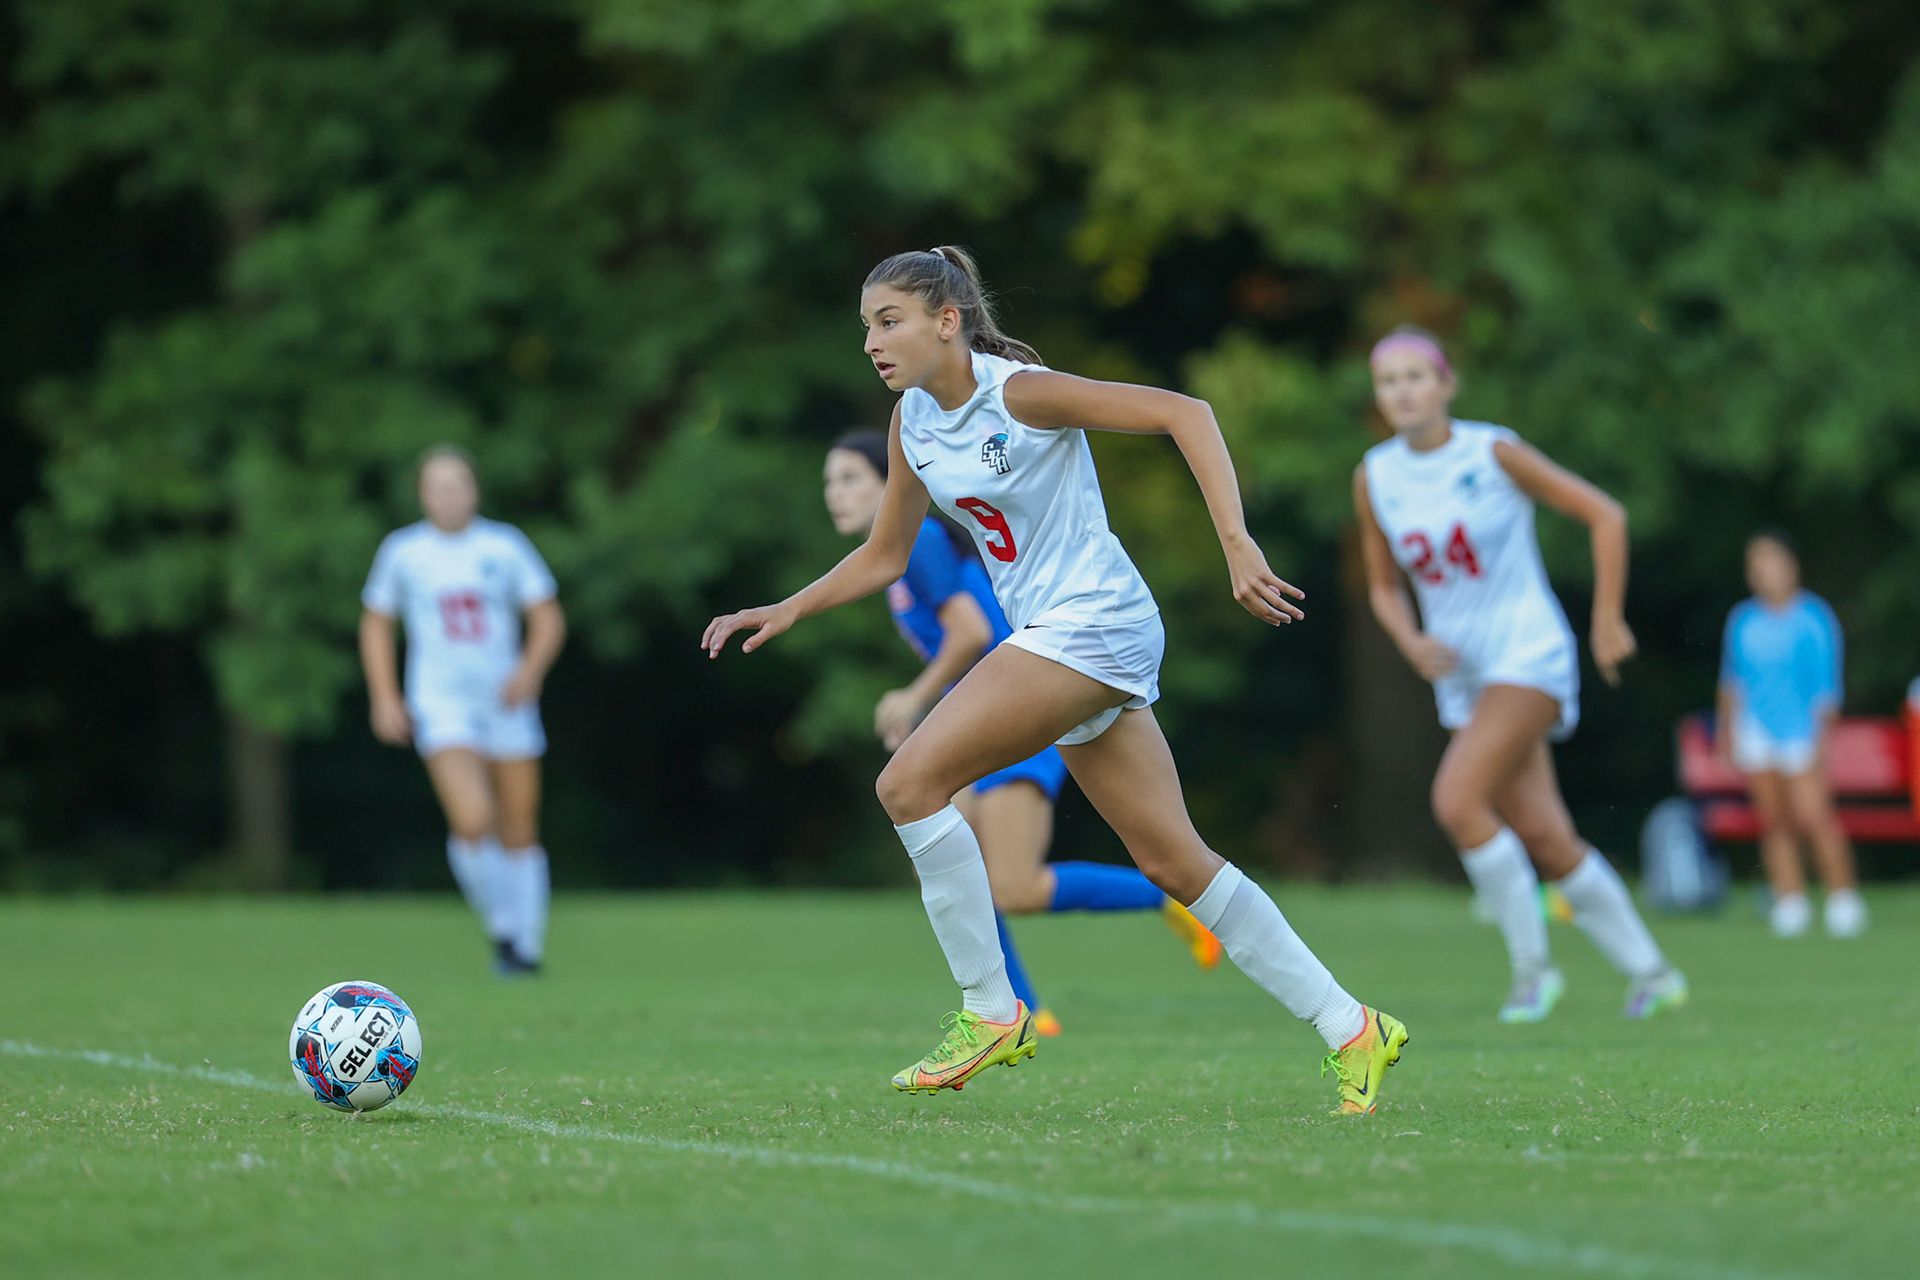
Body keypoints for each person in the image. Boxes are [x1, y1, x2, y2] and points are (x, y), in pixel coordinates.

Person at [707, 247, 1407, 1114]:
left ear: (947, 321)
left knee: (908, 782)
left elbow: (1186, 412)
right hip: (1059, 636)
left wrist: (1237, 541)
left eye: (888, 322)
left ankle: (992, 1013)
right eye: (866, 328)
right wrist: (786, 607)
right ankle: (1354, 1028)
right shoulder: (910, 423)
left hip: (1094, 622)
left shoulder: (1020, 393)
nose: (872, 344)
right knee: (1171, 860)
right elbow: (886, 555)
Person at [823, 430, 1226, 1036]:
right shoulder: (905, 563)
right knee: (947, 859)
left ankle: (1165, 898)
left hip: (1017, 710)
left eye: (851, 478)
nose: (836, 493)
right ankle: (1021, 1010)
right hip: (985, 709)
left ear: (893, 484)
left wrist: (913, 697)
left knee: (1014, 886)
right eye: (831, 481)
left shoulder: (924, 540)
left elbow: (971, 635)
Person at [1353, 327, 1687, 1023]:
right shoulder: (1375, 475)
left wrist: (1605, 619)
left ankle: (1534, 973)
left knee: (1456, 800)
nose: (1403, 391)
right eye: (1389, 381)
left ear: (1446, 385)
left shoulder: (1491, 450)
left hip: (1528, 653)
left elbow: (1606, 515)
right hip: (1463, 674)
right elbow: (1383, 584)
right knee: (1544, 836)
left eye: (1417, 376)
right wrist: (1409, 639)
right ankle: (1654, 974)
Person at [360, 445, 567, 976]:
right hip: (441, 701)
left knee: (519, 825)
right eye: (438, 486)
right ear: (423, 494)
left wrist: (529, 671)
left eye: (458, 485)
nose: (449, 496)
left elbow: (547, 617)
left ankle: (527, 947)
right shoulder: (404, 552)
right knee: (474, 820)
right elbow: (377, 622)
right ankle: (503, 927)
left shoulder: (505, 545)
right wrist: (385, 696)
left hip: (505, 701)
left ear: (474, 490)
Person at [1717, 530, 1865, 938]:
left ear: (1791, 565)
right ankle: (1790, 900)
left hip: (1800, 731)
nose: (1763, 571)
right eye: (1756, 563)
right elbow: (1732, 680)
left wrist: (1821, 741)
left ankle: (1843, 899)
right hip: (1756, 731)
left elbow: (1825, 687)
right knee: (1774, 821)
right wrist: (1727, 731)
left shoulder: (1813, 618)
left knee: (1815, 817)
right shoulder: (1743, 619)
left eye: (1771, 561)